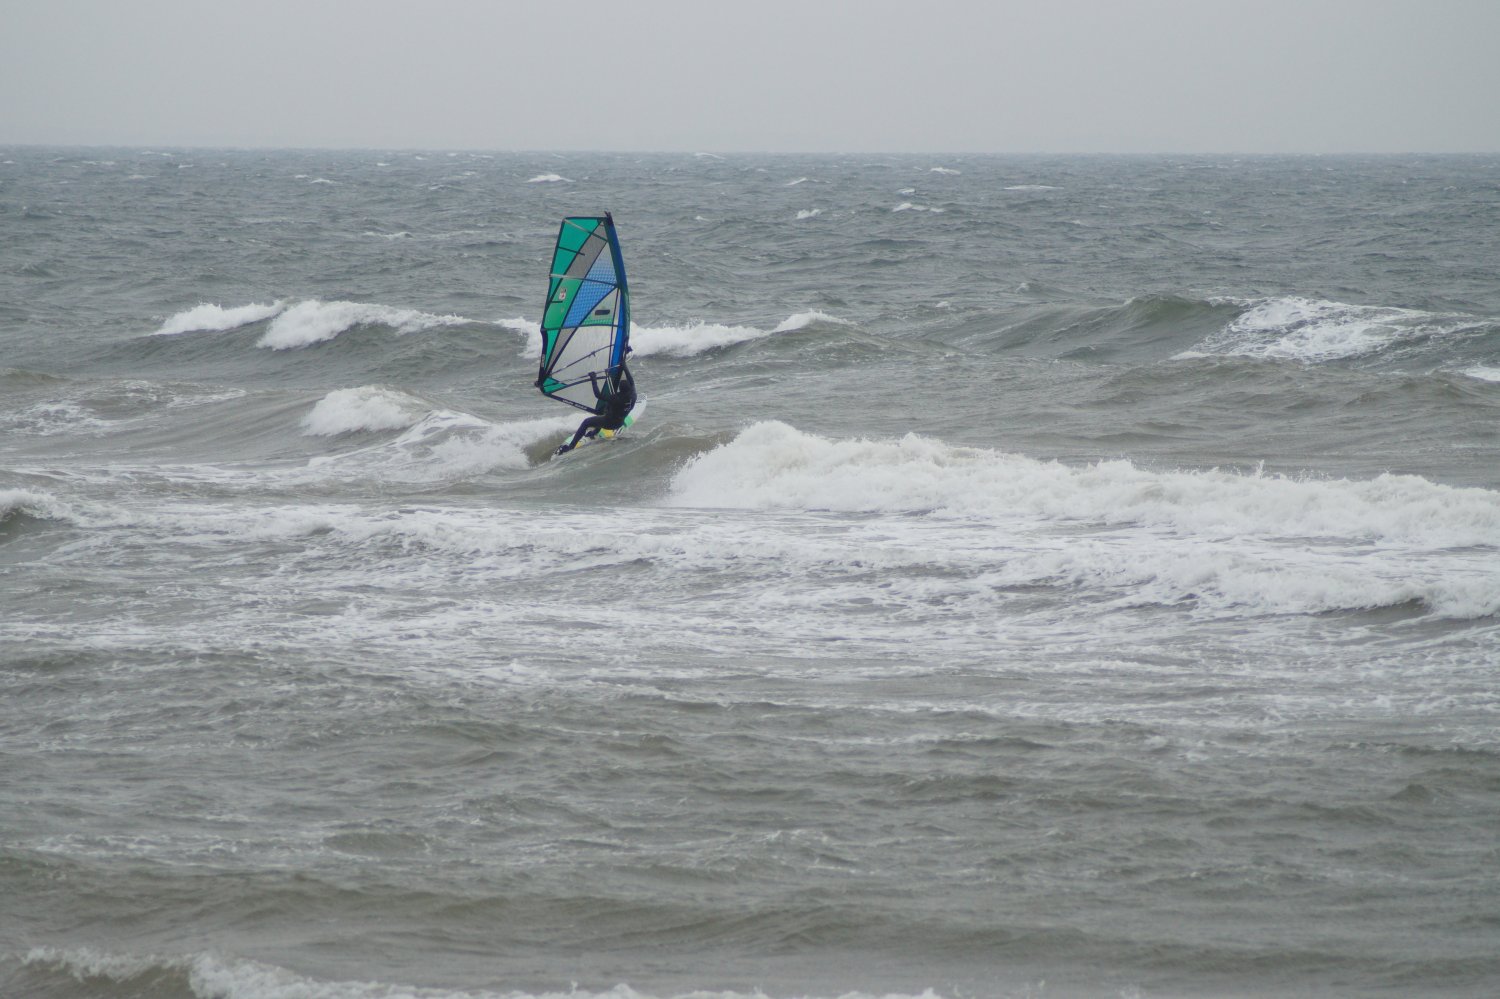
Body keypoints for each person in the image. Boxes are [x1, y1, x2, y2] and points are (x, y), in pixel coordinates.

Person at [555, 361, 636, 454]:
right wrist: (624, 366)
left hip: (609, 424)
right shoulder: (633, 395)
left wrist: (594, 379)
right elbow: (631, 380)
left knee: (586, 422)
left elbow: (598, 395)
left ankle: (570, 447)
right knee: (605, 408)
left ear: (620, 390)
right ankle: (595, 432)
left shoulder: (616, 399)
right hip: (620, 422)